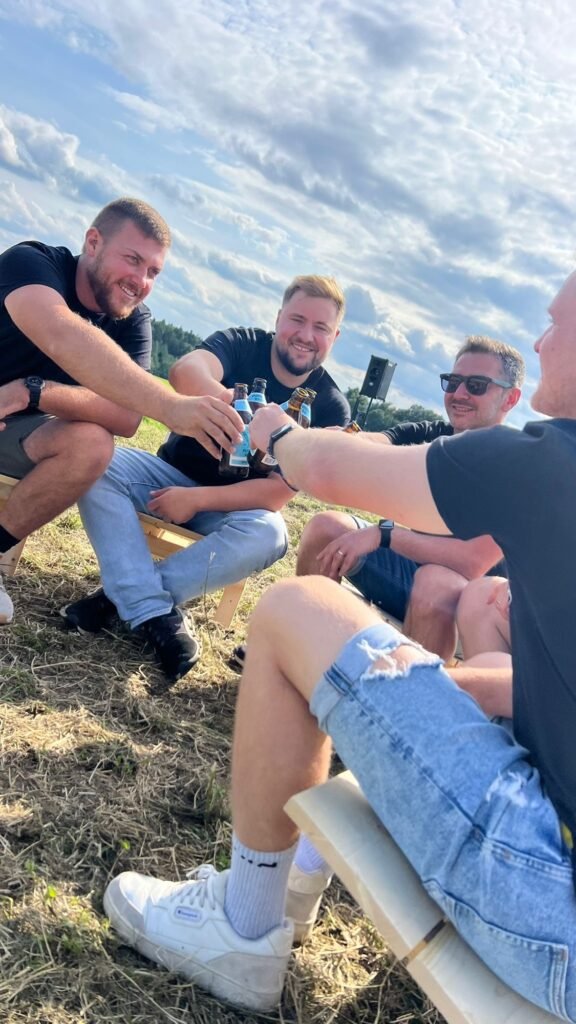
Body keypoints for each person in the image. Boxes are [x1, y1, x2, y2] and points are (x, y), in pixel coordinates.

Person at [104, 269, 576, 1019]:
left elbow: (320, 467)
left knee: (297, 608)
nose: (543, 340)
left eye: (555, 323)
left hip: (550, 910)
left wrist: (276, 431)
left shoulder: (548, 461)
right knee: (465, 648)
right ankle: (302, 870)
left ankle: (243, 929)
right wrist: (447, 683)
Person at [61, 276, 350, 683]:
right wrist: (236, 405)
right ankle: (150, 607)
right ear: (278, 318)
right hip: (166, 475)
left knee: (272, 534)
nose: (305, 335)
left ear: (334, 337)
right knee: (96, 462)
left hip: (234, 510)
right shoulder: (244, 343)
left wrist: (197, 500)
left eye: (320, 327)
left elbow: (275, 494)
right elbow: (185, 371)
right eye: (297, 320)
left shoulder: (331, 407)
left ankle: (122, 599)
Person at [0, 197, 244, 624]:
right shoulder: (32, 263)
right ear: (93, 242)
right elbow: (60, 332)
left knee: (93, 443)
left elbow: (126, 417)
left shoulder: (133, 320)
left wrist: (33, 393)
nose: (140, 280)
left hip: (19, 432)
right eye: (132, 260)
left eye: (153, 271)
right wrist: (170, 405)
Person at [297, 336, 525, 659]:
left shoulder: (515, 465)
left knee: (434, 584)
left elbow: (471, 563)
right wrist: (336, 440)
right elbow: (379, 441)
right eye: (454, 382)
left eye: (476, 385)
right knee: (326, 528)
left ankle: (409, 690)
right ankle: (303, 653)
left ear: (510, 398)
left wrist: (383, 535)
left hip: (472, 612)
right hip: (408, 575)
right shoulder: (434, 435)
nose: (460, 393)